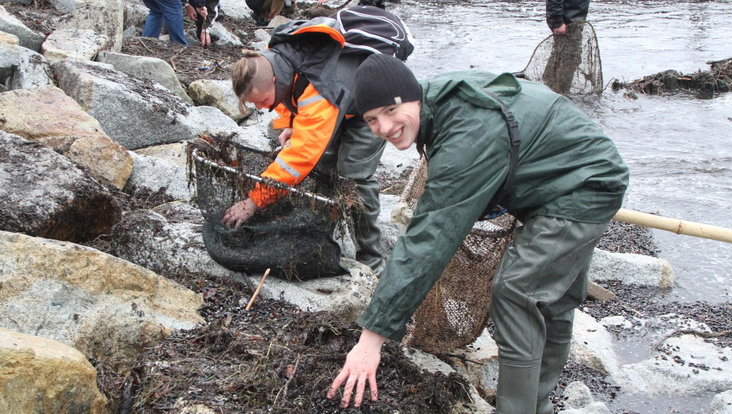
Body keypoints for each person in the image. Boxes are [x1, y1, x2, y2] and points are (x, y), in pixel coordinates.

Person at [326, 54, 629, 413]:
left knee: (517, 291)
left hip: (585, 185)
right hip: (558, 175)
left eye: (391, 111)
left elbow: (428, 240)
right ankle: (538, 404)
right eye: (372, 120)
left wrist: (370, 340)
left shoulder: (465, 135)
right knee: (555, 298)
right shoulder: (436, 100)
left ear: (412, 95)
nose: (385, 127)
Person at [222, 27, 387, 274]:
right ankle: (322, 233)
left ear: (275, 82)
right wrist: (290, 125)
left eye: (261, 100)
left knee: (354, 176)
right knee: (324, 168)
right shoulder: (270, 59)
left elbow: (300, 157)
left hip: (372, 106)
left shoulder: (316, 92)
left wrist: (255, 201)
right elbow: (293, 98)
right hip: (338, 98)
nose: (259, 107)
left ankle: (372, 260)